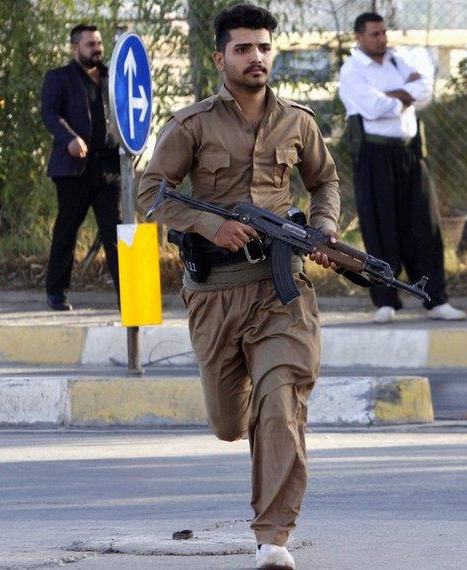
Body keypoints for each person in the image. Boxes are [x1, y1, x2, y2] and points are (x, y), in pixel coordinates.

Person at [137, 4, 339, 568]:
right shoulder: (192, 124)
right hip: (215, 295)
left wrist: (323, 229)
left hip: (282, 293)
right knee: (230, 423)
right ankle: (256, 410)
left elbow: (325, 181)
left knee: (282, 402)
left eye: (264, 48)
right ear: (220, 57)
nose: (257, 57)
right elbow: (151, 192)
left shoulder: (298, 121)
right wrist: (211, 224)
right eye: (244, 48)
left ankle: (273, 538)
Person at [338, 12, 465, 324]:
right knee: (381, 227)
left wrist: (397, 96)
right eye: (374, 34)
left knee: (425, 225)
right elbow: (372, 107)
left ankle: (435, 299)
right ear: (359, 37)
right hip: (374, 154)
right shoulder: (352, 70)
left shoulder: (398, 61)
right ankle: (386, 301)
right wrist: (405, 95)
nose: (382, 39)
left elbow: (426, 91)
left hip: (409, 152)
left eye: (383, 33)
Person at [40, 24, 121, 311]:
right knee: (67, 231)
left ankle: (128, 298)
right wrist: (70, 138)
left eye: (99, 43)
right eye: (90, 44)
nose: (97, 49)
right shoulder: (59, 78)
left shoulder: (113, 76)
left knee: (117, 234)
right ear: (75, 48)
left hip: (109, 168)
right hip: (74, 169)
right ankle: (56, 293)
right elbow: (49, 114)